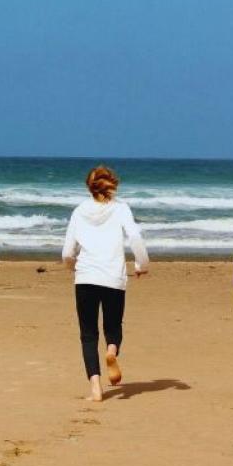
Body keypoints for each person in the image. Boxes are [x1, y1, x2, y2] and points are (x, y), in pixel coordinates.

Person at [62, 165, 149, 401]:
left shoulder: (80, 211)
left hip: (86, 277)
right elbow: (135, 237)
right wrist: (142, 264)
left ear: (89, 187)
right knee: (113, 326)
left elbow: (68, 250)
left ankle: (96, 388)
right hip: (113, 277)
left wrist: (72, 267)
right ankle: (111, 351)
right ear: (112, 185)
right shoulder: (121, 209)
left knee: (88, 334)